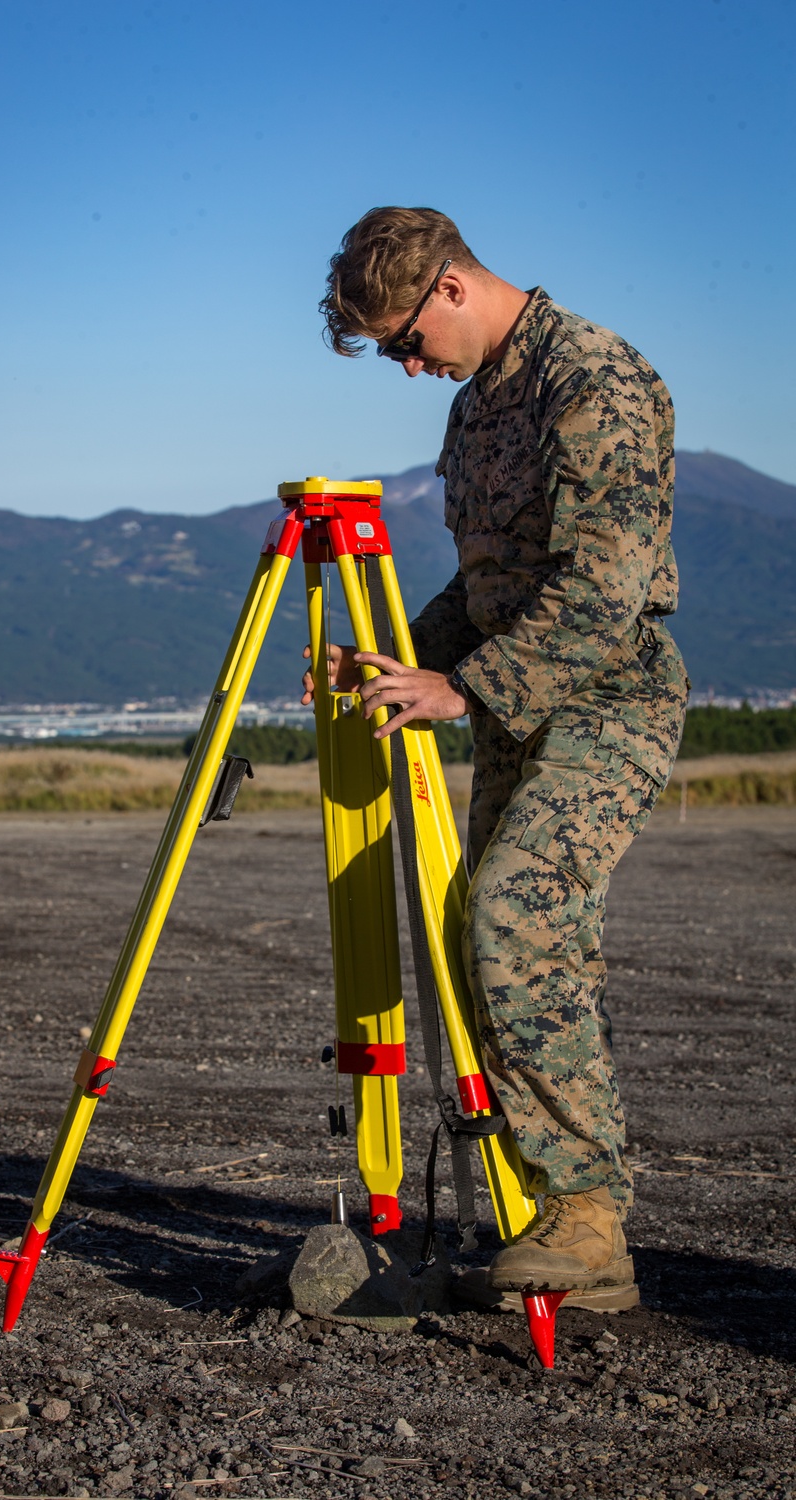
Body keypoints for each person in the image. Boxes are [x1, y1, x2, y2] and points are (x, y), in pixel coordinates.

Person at [303, 206, 688, 1293]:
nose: (407, 368)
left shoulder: (595, 380)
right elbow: (487, 588)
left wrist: (460, 688)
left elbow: (601, 593)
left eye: (404, 342)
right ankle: (545, 1200)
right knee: (497, 936)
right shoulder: (478, 408)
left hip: (608, 695)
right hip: (519, 706)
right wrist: (390, 660)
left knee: (518, 918)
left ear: (452, 288)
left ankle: (585, 1216)